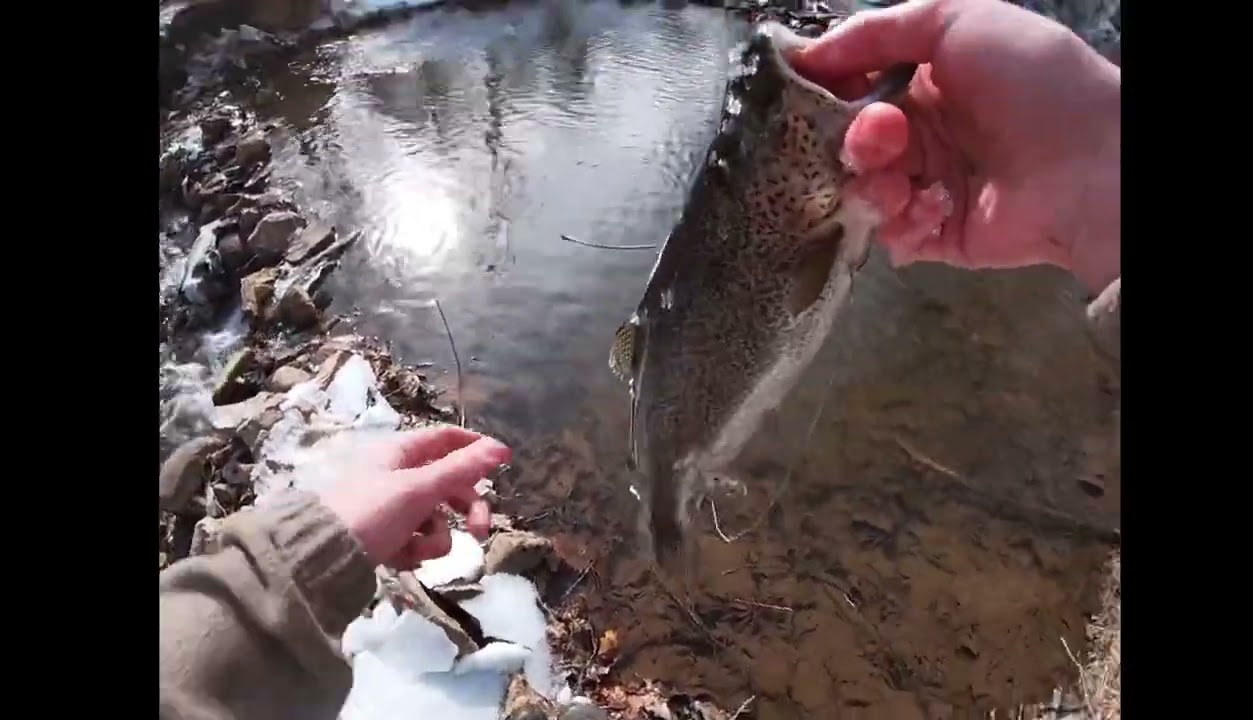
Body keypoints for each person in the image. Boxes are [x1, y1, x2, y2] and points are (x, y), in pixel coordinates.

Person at [158, 2, 1120, 719]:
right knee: (681, 441)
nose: (800, 119)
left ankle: (669, 520)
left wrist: (1092, 169)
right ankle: (671, 517)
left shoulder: (809, 209)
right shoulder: (811, 213)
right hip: (696, 387)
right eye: (767, 136)